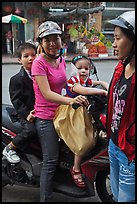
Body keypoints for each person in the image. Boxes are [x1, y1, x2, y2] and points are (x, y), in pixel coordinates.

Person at [31, 21, 89, 202]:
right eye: (46, 39)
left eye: (55, 38)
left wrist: (91, 87)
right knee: (51, 161)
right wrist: (71, 101)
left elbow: (70, 84)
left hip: (61, 113)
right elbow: (47, 94)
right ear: (41, 42)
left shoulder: (61, 59)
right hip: (46, 116)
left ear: (61, 40)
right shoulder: (39, 63)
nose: (52, 43)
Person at [54, 55, 108, 188]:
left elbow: (92, 83)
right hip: (71, 113)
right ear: (74, 69)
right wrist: (103, 92)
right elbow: (82, 90)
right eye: (80, 68)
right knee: (82, 142)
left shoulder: (86, 80)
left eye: (86, 68)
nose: (83, 71)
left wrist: (104, 84)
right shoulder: (73, 81)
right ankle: (76, 168)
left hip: (83, 112)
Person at [106, 11, 135, 202]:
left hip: (130, 153)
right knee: (116, 197)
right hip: (114, 145)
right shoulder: (121, 67)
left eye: (117, 38)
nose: (114, 44)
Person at [3, 42, 37, 163]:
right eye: (26, 56)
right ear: (19, 60)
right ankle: (11, 147)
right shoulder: (16, 79)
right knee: (31, 131)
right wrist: (27, 114)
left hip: (41, 110)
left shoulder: (40, 75)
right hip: (26, 113)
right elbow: (16, 100)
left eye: (33, 55)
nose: (30, 58)